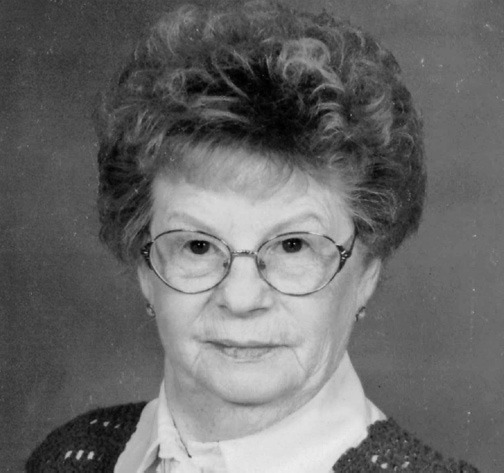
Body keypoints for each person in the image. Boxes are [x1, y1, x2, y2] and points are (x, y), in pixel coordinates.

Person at [26, 1, 479, 471]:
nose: (240, 299)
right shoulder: (69, 457)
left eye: (292, 245)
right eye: (198, 246)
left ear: (367, 272)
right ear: (145, 269)